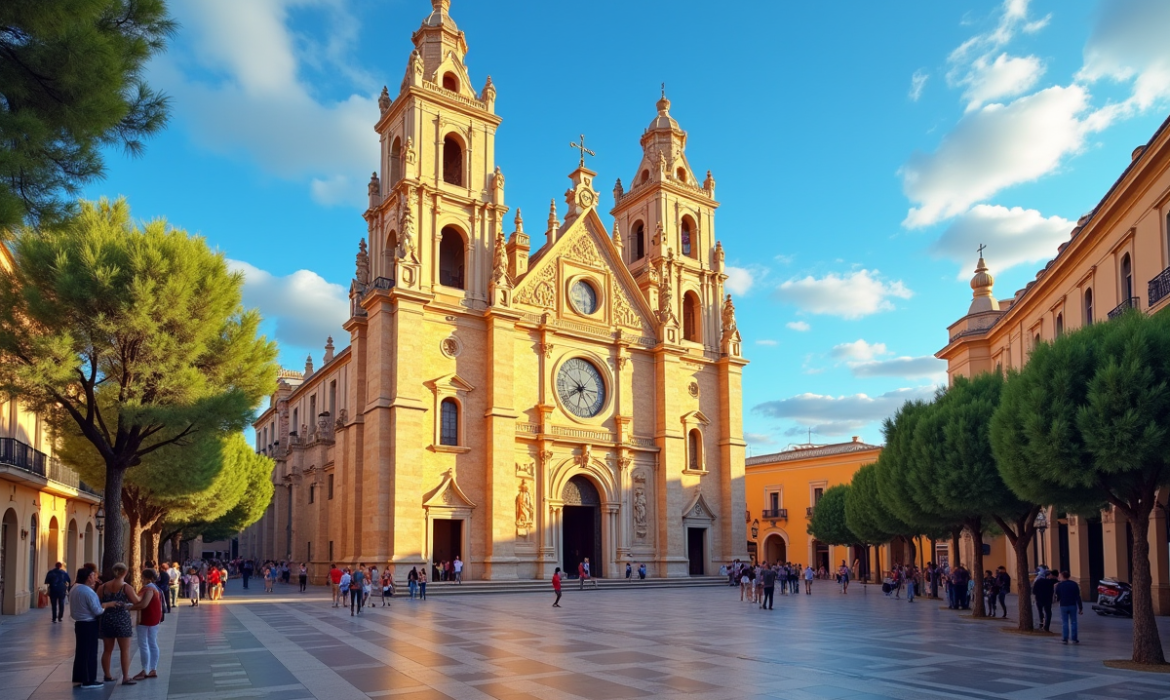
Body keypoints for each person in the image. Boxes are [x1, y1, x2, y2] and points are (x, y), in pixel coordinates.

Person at [70, 567, 119, 688]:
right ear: (88, 577)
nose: (95, 578)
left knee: (81, 652)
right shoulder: (87, 591)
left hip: (80, 623)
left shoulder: (75, 588)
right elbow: (97, 611)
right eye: (93, 575)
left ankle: (80, 677)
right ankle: (88, 680)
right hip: (88, 623)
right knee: (90, 652)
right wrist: (107, 605)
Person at [98, 562, 141, 685]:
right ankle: (126, 677)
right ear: (125, 572)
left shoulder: (103, 587)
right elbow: (136, 600)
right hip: (122, 619)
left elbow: (97, 601)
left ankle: (107, 675)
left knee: (107, 650)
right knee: (125, 650)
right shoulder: (125, 587)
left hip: (107, 619)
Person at [130, 568, 162, 681]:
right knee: (152, 643)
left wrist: (129, 607)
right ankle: (153, 668)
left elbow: (143, 604)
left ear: (146, 577)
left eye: (142, 576)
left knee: (144, 644)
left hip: (146, 618)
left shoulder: (148, 589)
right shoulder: (155, 588)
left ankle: (145, 669)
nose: (140, 578)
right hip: (154, 618)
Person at [1054, 570, 1082, 644]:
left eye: (1060, 576)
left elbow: (1057, 596)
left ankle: (1065, 638)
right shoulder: (1074, 584)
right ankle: (1074, 638)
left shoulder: (1059, 585)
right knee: (1074, 622)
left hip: (1063, 605)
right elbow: (1078, 596)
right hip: (1072, 604)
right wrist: (1080, 608)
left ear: (1063, 576)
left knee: (1065, 622)